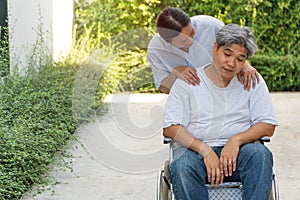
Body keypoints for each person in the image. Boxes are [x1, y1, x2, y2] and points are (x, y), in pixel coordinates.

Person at [163, 24, 279, 200]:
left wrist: (236, 140)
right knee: (182, 165)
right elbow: (171, 128)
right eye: (227, 54)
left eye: (240, 59)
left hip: (240, 155)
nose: (232, 63)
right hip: (196, 154)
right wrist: (206, 151)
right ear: (215, 48)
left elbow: (267, 125)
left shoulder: (252, 80)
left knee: (260, 156)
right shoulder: (189, 81)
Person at [148, 7, 259, 94]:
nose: (191, 41)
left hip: (225, 91)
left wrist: (244, 64)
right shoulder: (156, 49)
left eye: (192, 32)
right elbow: (164, 89)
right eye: (183, 42)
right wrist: (175, 73)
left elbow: (236, 44)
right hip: (190, 103)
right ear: (167, 41)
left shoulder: (210, 25)